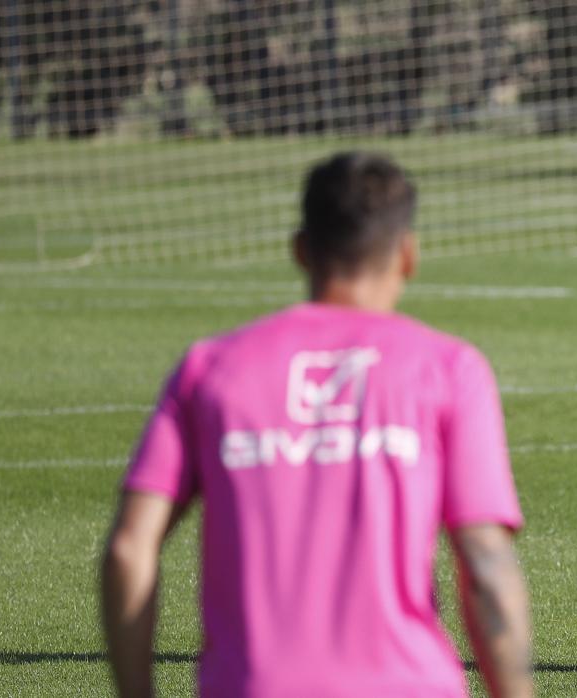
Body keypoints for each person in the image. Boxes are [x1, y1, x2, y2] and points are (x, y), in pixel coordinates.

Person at [101, 152, 533, 697]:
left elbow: (128, 548)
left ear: (301, 250)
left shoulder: (210, 369)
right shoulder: (448, 370)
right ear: (407, 255)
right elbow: (486, 563)